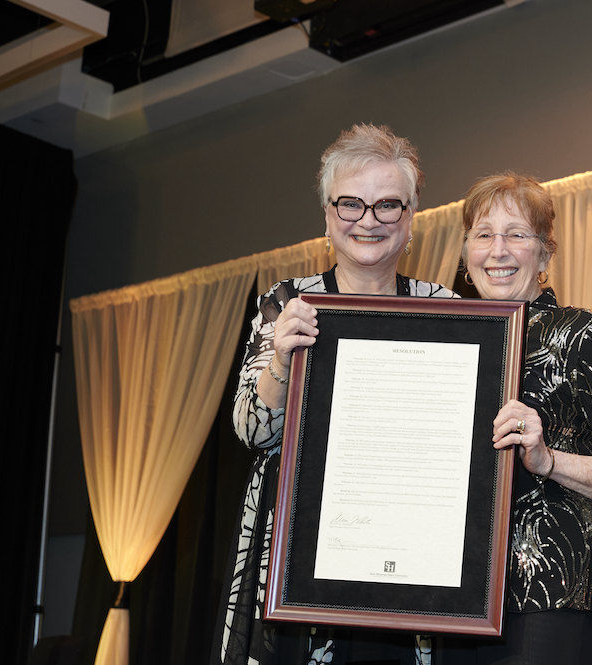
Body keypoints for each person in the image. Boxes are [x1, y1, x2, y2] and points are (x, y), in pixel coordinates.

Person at [213, 124, 455, 665]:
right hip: (297, 548)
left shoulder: (443, 306)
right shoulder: (287, 302)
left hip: (404, 551)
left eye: (388, 205)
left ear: (410, 220)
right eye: (351, 204)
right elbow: (252, 432)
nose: (368, 220)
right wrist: (280, 359)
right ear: (327, 216)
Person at [442, 173, 592, 664]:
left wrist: (547, 460)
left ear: (544, 255)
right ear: (465, 254)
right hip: (450, 596)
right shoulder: (445, 342)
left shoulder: (585, 335)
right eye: (483, 234)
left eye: (517, 234)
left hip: (552, 596)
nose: (498, 250)